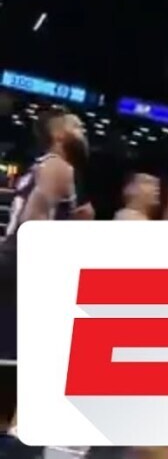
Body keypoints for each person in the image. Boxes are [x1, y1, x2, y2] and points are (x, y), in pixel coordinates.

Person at [0, 108, 88, 448]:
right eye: (77, 126)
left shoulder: (41, 166)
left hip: (13, 259)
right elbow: (35, 217)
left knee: (14, 357)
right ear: (59, 134)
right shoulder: (59, 166)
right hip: (23, 260)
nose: (83, 130)